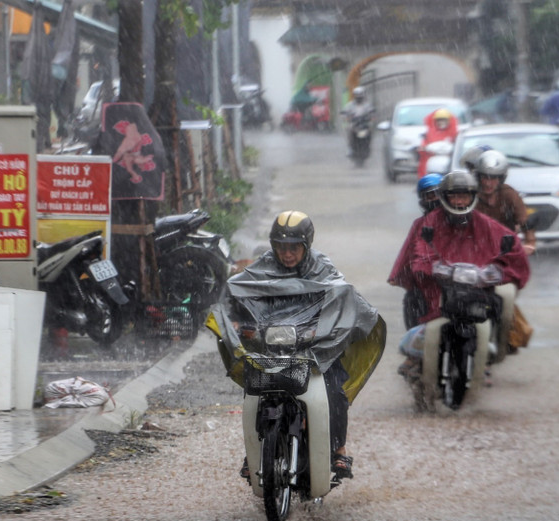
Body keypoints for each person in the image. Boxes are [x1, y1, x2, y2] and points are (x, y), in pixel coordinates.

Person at [214, 210, 385, 482]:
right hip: (271, 347)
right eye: (281, 247)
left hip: (315, 349)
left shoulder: (322, 268)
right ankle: (253, 454)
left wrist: (331, 328)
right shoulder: (262, 267)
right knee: (256, 391)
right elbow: (237, 292)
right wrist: (236, 323)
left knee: (334, 392)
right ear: (273, 246)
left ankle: (339, 449)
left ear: (306, 245)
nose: (287, 254)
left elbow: (343, 296)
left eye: (294, 248)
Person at [388, 171, 530, 379]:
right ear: (444, 197)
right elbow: (420, 253)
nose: (459, 201)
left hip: (475, 288)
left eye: (464, 196)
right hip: (436, 286)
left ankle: (493, 351)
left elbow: (511, 245)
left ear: (473, 196)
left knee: (501, 304)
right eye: (454, 196)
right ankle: (417, 355)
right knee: (415, 300)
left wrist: (494, 271)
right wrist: (433, 269)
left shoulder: (487, 222)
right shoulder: (427, 224)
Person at [473, 150, 535, 255]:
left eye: (493, 179)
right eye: (485, 178)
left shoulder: (509, 194)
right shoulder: (471, 195)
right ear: (479, 178)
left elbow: (525, 221)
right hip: (475, 246)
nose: (488, 183)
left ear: (501, 179)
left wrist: (530, 243)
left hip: (505, 247)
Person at [416, 108, 458, 178]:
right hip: (432, 163)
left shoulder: (454, 133)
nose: (441, 123)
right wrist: (422, 149)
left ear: (449, 121)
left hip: (449, 163)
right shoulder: (430, 133)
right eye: (439, 120)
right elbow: (424, 146)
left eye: (444, 120)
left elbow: (458, 146)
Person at [341, 86, 375, 157]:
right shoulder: (350, 105)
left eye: (360, 95)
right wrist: (346, 117)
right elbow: (344, 112)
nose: (359, 97)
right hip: (354, 124)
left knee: (371, 129)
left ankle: (368, 146)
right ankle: (350, 148)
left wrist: (371, 117)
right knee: (348, 129)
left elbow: (372, 112)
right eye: (357, 95)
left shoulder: (367, 105)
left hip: (364, 124)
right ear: (354, 95)